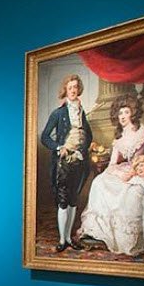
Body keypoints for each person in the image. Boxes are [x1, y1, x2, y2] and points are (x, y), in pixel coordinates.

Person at [77, 94, 144, 256]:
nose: (122, 116)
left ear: (133, 113)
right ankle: (98, 231)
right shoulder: (119, 138)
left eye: (126, 112)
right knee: (99, 182)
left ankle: (132, 237)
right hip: (125, 169)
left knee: (131, 192)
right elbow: (112, 164)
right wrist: (120, 173)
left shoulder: (142, 131)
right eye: (120, 113)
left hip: (141, 169)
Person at [40, 74, 93, 252]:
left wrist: (82, 150)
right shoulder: (59, 113)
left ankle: (69, 238)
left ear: (79, 90)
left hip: (79, 161)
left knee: (73, 200)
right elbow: (45, 137)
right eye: (70, 88)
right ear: (65, 90)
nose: (73, 90)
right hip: (63, 163)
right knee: (63, 201)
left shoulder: (82, 112)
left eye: (75, 87)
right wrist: (59, 147)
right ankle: (62, 240)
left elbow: (89, 135)